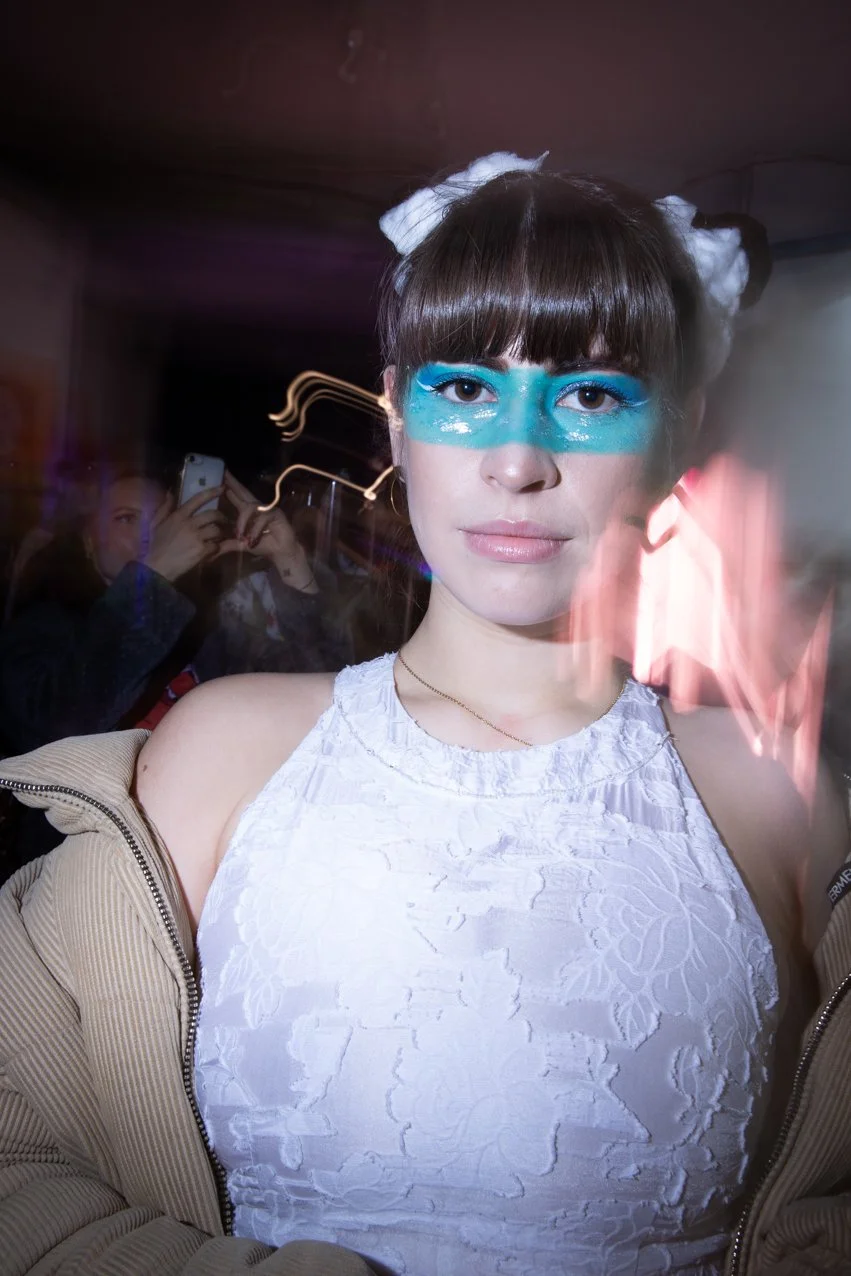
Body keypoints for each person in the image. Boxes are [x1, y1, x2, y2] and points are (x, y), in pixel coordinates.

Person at [1, 156, 850, 1276]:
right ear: (397, 418)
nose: (514, 461)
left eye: (588, 395)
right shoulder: (221, 753)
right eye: (463, 390)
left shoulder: (765, 796)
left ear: (670, 438)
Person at [0, 461, 352, 872]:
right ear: (88, 542)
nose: (153, 535)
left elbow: (326, 700)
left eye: (166, 520)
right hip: (78, 878)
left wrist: (291, 562)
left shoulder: (205, 628)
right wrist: (152, 576)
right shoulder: (42, 627)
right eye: (126, 519)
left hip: (200, 870)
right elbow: (52, 726)